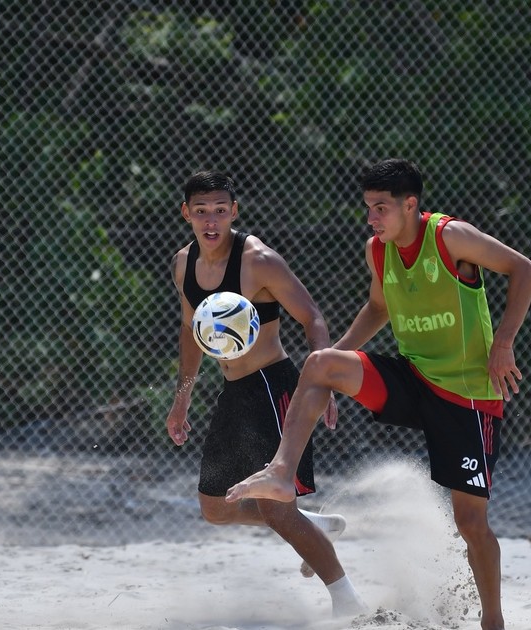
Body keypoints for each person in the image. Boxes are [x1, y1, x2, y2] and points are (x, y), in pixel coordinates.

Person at [227, 158, 531, 630]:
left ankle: (492, 621)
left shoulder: (450, 236)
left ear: (410, 205)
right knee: (320, 362)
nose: (371, 218)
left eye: (380, 208)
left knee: (471, 523)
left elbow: (523, 269)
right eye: (368, 207)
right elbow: (378, 307)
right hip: (414, 379)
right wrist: (330, 365)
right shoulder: (379, 250)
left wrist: (504, 342)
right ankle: (281, 473)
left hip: (467, 395)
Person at [165, 170, 368, 618]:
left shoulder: (257, 260)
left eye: (220, 210)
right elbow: (190, 330)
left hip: (274, 387)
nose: (211, 221)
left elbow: (312, 317)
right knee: (216, 508)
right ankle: (311, 526)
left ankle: (349, 603)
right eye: (202, 212)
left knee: (276, 510)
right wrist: (182, 398)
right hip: (234, 390)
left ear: (234, 212)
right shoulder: (183, 264)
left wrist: (325, 380)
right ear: (186, 214)